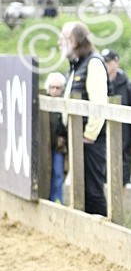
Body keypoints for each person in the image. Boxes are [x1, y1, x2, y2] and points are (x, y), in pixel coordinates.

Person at [60, 21, 108, 216]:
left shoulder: (93, 63)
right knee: (82, 188)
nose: (59, 42)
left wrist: (89, 134)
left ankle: (105, 235)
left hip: (90, 140)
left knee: (93, 191)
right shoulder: (76, 65)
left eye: (63, 38)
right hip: (79, 138)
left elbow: (99, 103)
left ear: (75, 41)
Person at [102, 48, 131, 186]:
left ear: (116, 63)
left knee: (122, 176)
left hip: (124, 137)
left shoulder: (127, 85)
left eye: (108, 62)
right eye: (104, 62)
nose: (106, 65)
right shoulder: (98, 83)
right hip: (102, 136)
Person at [44, 71, 67, 203]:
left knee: (58, 173)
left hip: (58, 145)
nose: (54, 91)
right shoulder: (42, 102)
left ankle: (57, 200)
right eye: (52, 87)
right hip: (44, 144)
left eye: (58, 88)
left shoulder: (64, 103)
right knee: (45, 173)